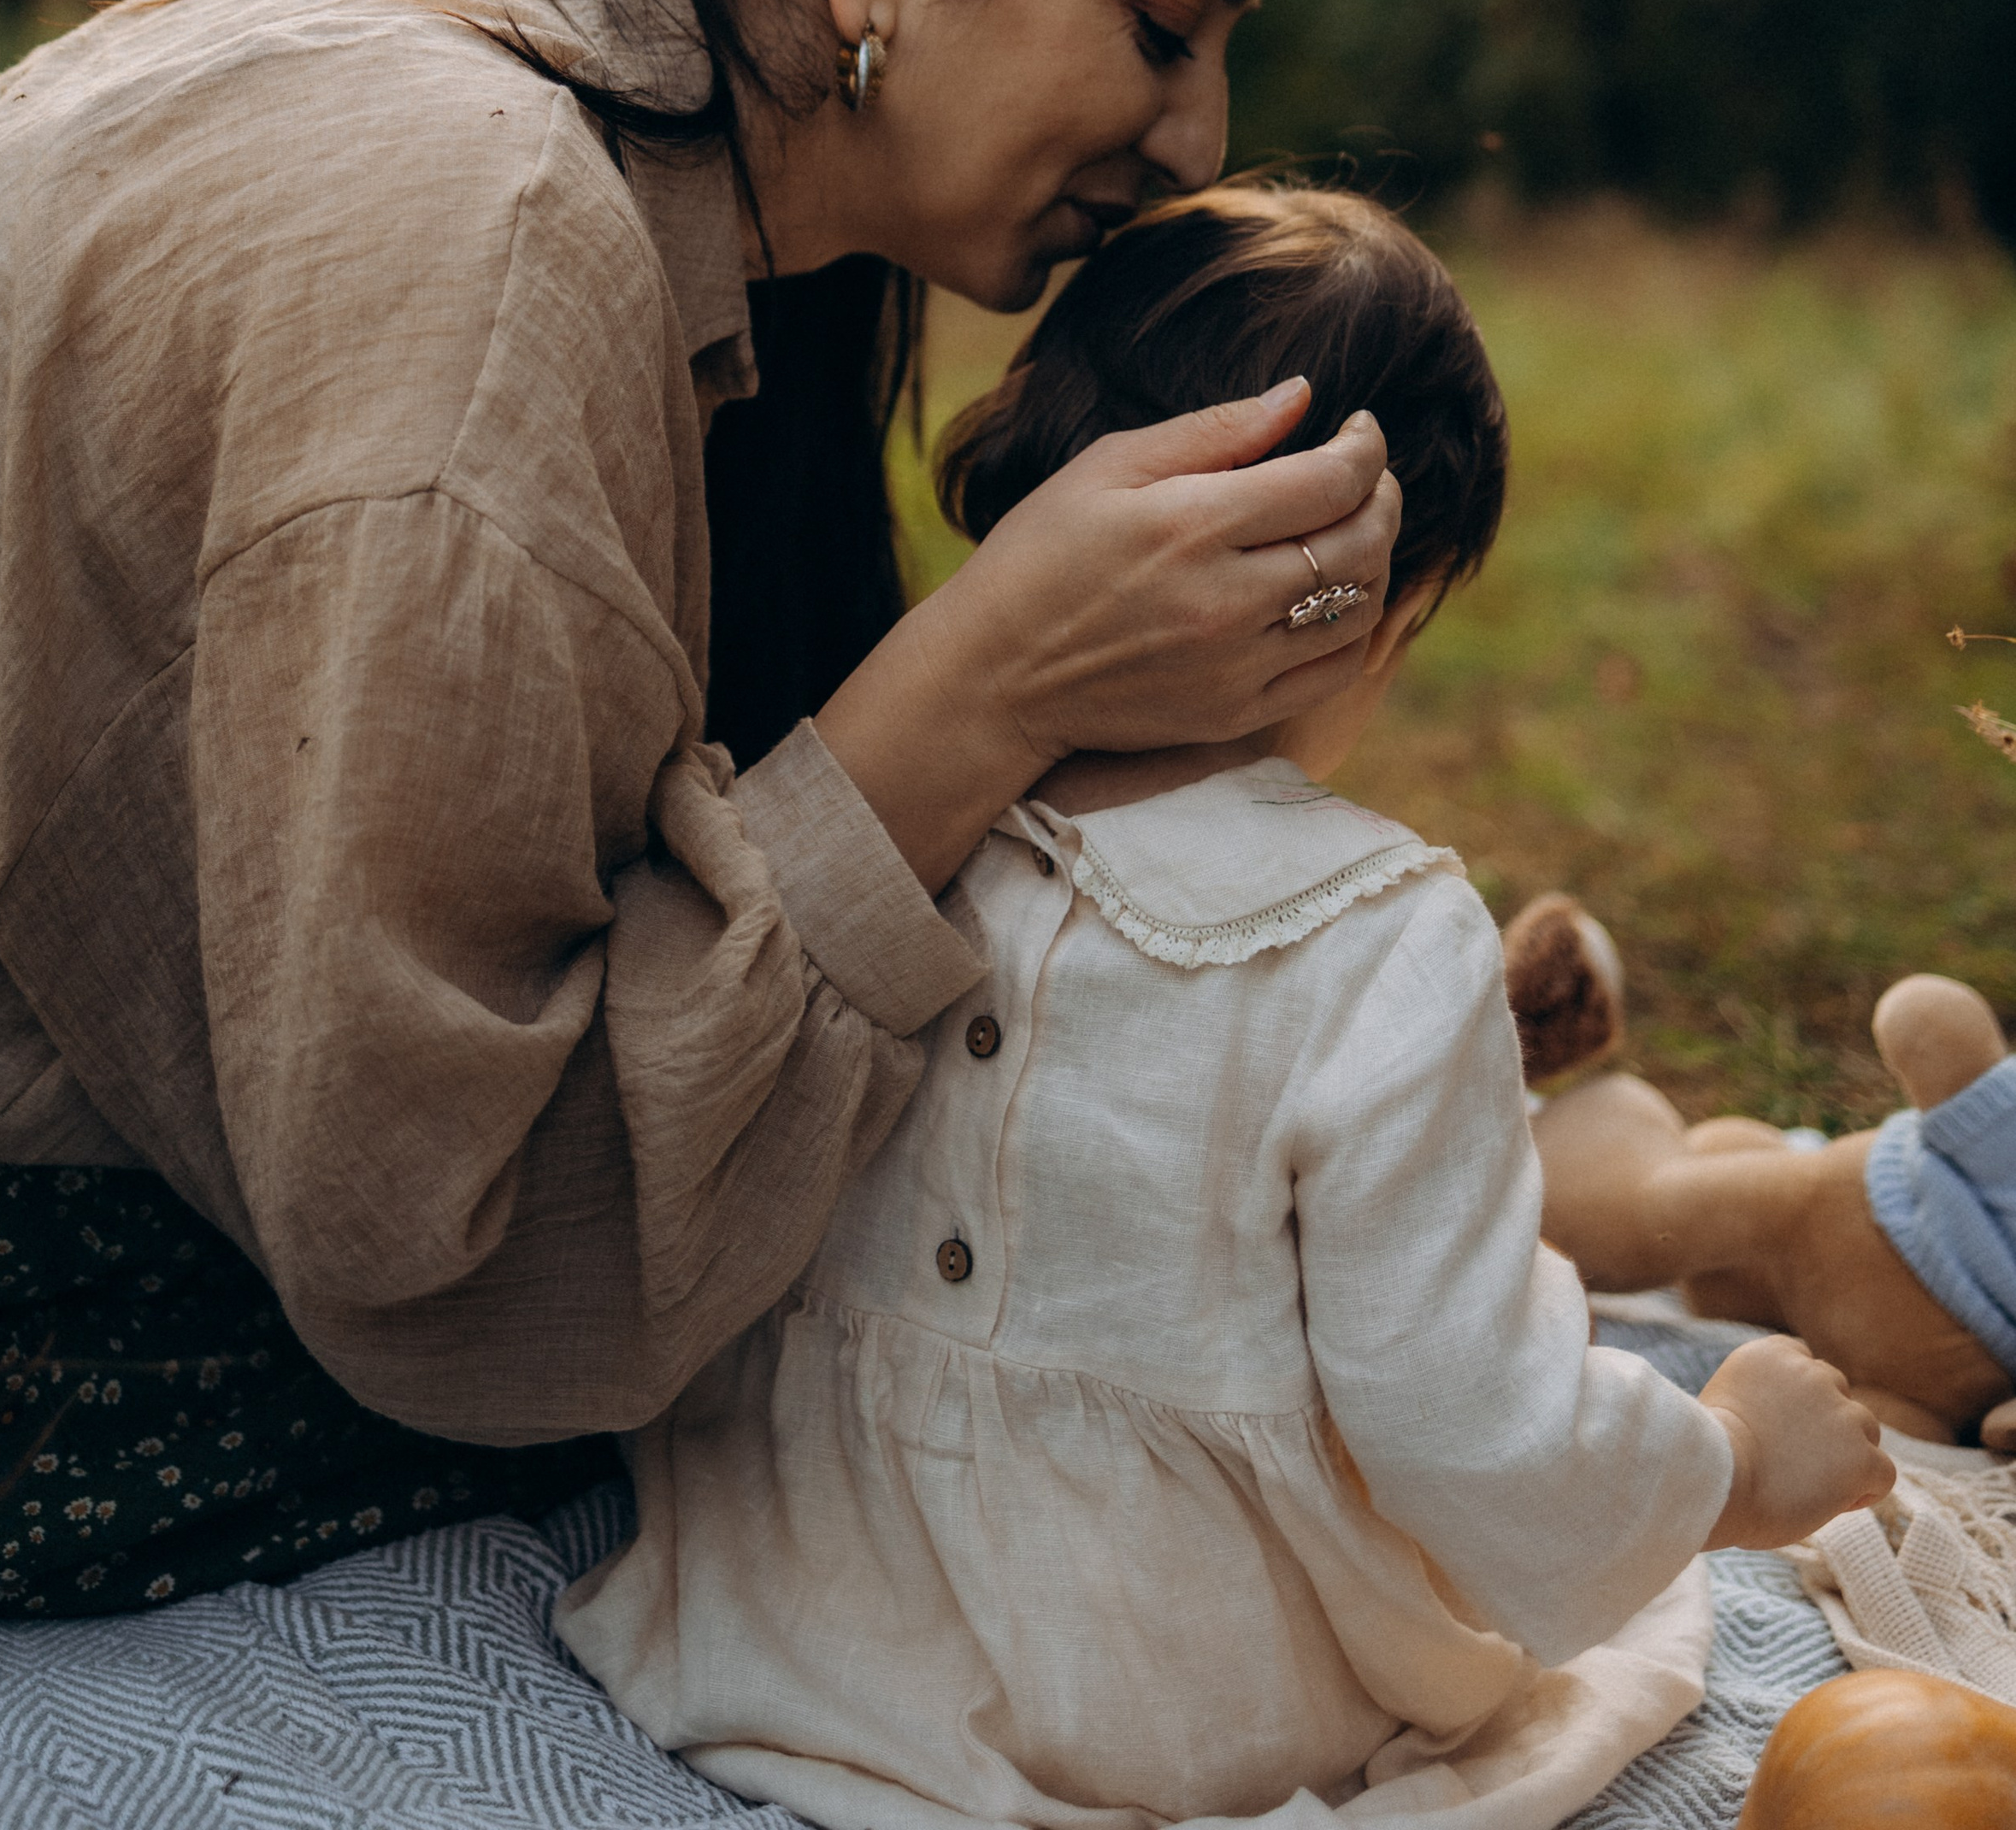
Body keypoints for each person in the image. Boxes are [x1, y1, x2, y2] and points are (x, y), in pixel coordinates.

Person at [0, 0, 1402, 1621]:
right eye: (1157, 16)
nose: (1201, 132)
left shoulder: (624, 122)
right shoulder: (481, 247)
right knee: (858, 1363)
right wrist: (988, 684)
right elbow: (462, 1265)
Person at [554, 185, 1891, 1830]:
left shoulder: (888, 786)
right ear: (1378, 608)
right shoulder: (1384, 938)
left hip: (798, 1619)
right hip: (1185, 1699)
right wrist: (1730, 1464)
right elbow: (1466, 1419)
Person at [1509, 904, 2016, 1448]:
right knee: (1660, 1202)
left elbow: (1926, 1017)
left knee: (1864, 1441)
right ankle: (1520, 1045)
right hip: (1853, 1212)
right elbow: (1931, 1026)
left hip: (1929, 1379)